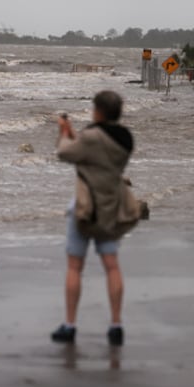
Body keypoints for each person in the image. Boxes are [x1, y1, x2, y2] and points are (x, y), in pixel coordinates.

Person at [51, 90, 140, 346]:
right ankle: (116, 325)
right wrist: (77, 134)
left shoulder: (91, 137)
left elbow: (66, 153)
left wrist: (64, 132)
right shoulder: (125, 138)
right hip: (111, 206)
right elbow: (95, 148)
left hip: (86, 207)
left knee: (74, 266)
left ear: (98, 110)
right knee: (112, 265)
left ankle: (69, 325)